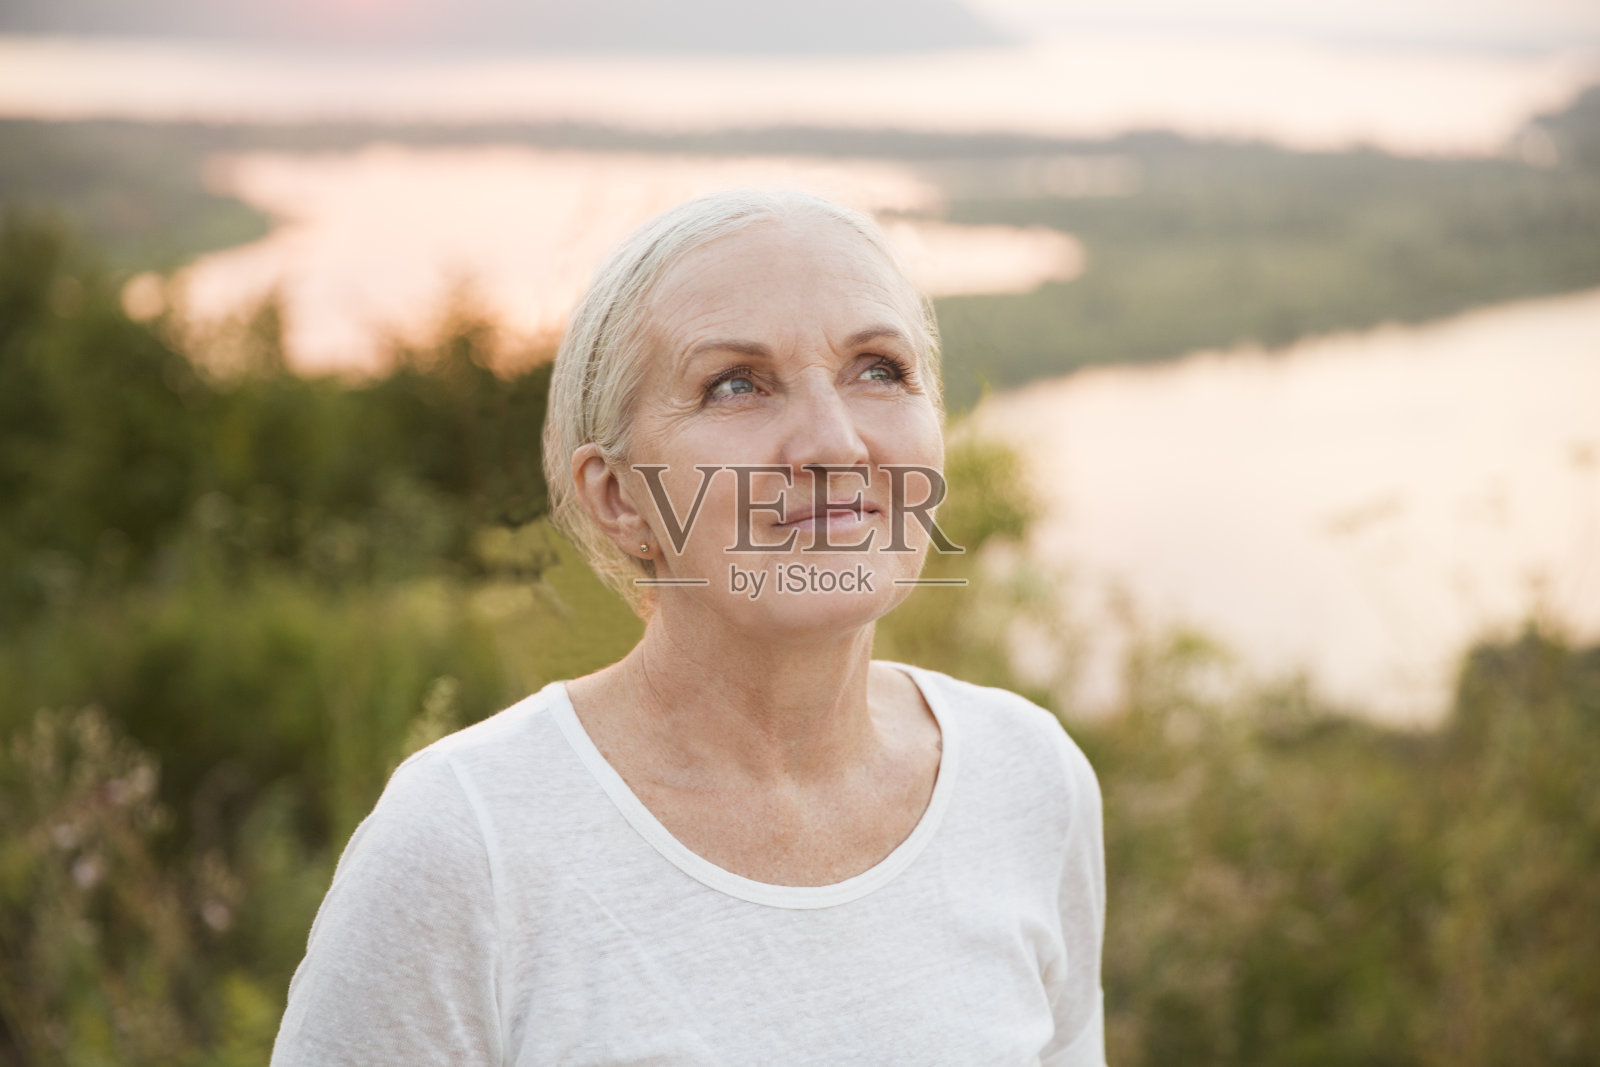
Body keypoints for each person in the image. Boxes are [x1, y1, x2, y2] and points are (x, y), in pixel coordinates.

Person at [271, 189, 1106, 1065]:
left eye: (879, 369)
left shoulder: (1027, 778)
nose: (834, 443)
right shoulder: (466, 843)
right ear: (619, 498)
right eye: (736, 384)